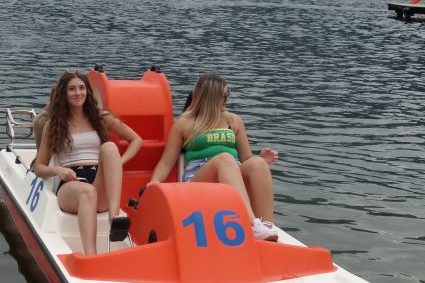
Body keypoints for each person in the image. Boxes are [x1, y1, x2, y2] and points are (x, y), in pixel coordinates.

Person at [150, 74, 280, 241]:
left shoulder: (233, 121)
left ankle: (266, 228)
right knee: (224, 158)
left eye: (228, 94)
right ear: (212, 97)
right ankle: (252, 225)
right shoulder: (185, 123)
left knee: (257, 163)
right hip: (199, 180)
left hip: (232, 175)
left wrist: (261, 158)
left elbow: (246, 158)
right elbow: (166, 163)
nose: (227, 99)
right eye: (225, 95)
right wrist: (154, 183)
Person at [33, 70, 142, 255]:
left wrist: (117, 163)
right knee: (87, 192)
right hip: (70, 185)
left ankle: (114, 218)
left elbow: (136, 140)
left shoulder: (100, 118)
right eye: (72, 89)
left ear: (88, 92)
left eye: (82, 88)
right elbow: (39, 168)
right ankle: (91, 257)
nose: (78, 93)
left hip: (99, 182)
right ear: (63, 94)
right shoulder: (54, 124)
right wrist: (58, 170)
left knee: (110, 148)